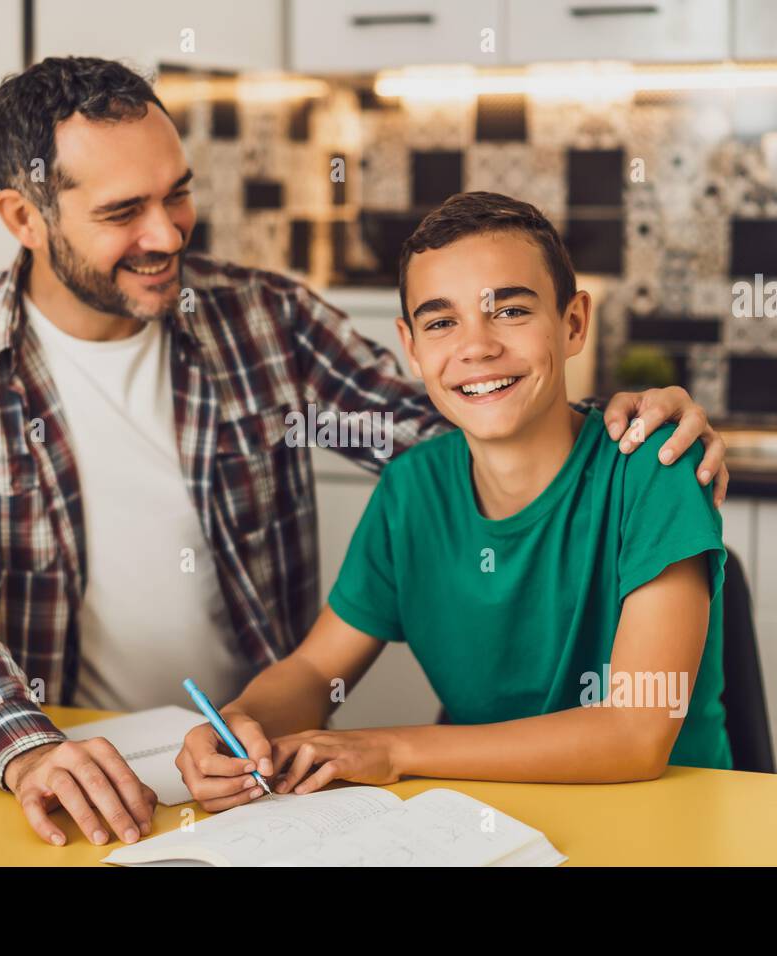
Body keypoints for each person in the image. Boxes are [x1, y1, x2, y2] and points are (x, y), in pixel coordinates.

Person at [0, 58, 730, 847]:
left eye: (178, 195)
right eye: (123, 212)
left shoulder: (262, 317)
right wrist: (25, 749)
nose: (167, 235)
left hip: (250, 775)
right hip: (69, 758)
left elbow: (467, 427)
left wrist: (630, 426)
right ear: (25, 215)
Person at [176, 192, 730, 812]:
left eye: (511, 311)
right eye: (442, 322)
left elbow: (635, 735)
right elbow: (311, 671)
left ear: (573, 323)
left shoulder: (654, 470)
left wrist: (391, 748)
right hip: (494, 826)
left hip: (667, 825)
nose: (477, 346)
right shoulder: (411, 490)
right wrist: (238, 723)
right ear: (411, 347)